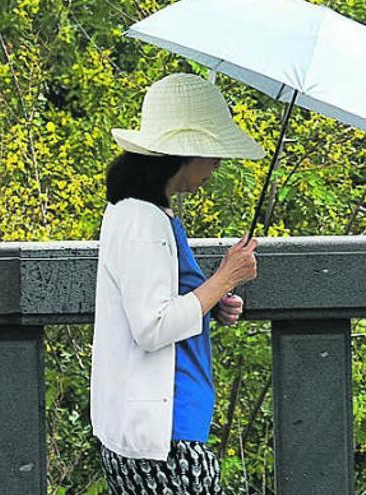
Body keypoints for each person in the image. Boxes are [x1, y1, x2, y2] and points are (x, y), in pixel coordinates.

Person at [90, 73, 265, 494]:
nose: (216, 167)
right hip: (165, 438)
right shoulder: (143, 221)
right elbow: (152, 326)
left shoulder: (146, 213)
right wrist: (225, 277)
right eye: (211, 154)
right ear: (181, 154)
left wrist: (214, 298)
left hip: (167, 426)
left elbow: (163, 302)